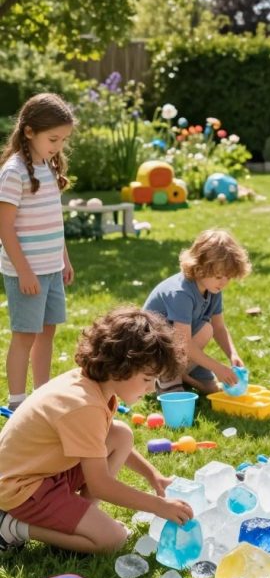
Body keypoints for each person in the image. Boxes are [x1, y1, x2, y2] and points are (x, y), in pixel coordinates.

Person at [0, 306, 193, 554]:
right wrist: (158, 506)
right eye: (147, 379)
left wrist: (153, 475)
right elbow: (100, 484)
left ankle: (78, 518)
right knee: (111, 540)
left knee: (121, 435)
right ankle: (11, 526)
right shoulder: (84, 405)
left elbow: (103, 441)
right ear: (119, 367)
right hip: (20, 488)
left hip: (44, 472)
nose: (151, 388)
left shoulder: (94, 385)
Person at [0, 93, 75, 412]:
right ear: (29, 131)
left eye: (63, 140)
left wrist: (64, 260)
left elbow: (54, 221)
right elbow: (4, 228)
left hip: (51, 268)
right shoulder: (14, 171)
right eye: (53, 138)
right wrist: (24, 271)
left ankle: (41, 395)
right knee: (25, 335)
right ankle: (18, 401)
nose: (58, 146)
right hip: (26, 273)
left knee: (47, 332)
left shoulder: (47, 165)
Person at [144, 228, 251, 394]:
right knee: (206, 329)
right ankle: (167, 376)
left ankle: (182, 374)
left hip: (180, 349)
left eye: (228, 277)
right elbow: (184, 343)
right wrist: (217, 367)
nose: (223, 282)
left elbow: (220, 328)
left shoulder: (213, 289)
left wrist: (233, 354)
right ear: (200, 268)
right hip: (153, 354)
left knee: (212, 389)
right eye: (218, 276)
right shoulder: (181, 293)